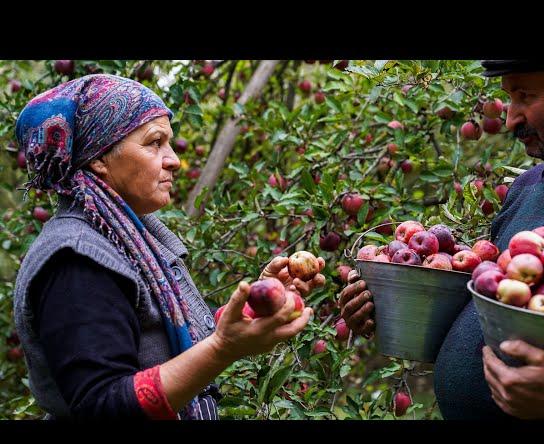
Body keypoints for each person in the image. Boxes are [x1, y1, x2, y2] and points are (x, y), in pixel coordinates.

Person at [339, 59, 544, 420]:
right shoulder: (527, 188)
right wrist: (388, 305)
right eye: (509, 99)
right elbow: (488, 316)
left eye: (525, 96)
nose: (511, 119)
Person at [12, 74, 325, 420]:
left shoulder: (132, 236)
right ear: (100, 157)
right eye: (154, 143)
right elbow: (102, 406)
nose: (174, 160)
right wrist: (223, 350)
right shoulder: (76, 259)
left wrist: (256, 304)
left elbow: (164, 343)